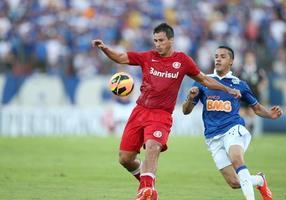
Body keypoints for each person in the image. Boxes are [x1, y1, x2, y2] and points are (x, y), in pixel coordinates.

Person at [92, 23, 241, 200]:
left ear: (171, 40)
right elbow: (121, 57)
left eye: (161, 40)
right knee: (125, 159)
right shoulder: (148, 57)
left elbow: (204, 79)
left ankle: (147, 191)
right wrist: (104, 48)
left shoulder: (183, 61)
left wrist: (226, 89)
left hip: (161, 115)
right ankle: (147, 186)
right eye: (155, 40)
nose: (157, 44)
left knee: (153, 147)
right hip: (140, 111)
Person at [182, 46, 282, 200]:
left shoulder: (239, 84)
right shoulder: (202, 81)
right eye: (216, 56)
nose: (218, 59)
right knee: (235, 182)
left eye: (222, 56)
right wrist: (189, 97)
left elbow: (256, 107)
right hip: (212, 137)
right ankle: (260, 180)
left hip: (233, 129)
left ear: (231, 61)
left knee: (236, 159)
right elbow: (186, 111)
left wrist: (270, 114)